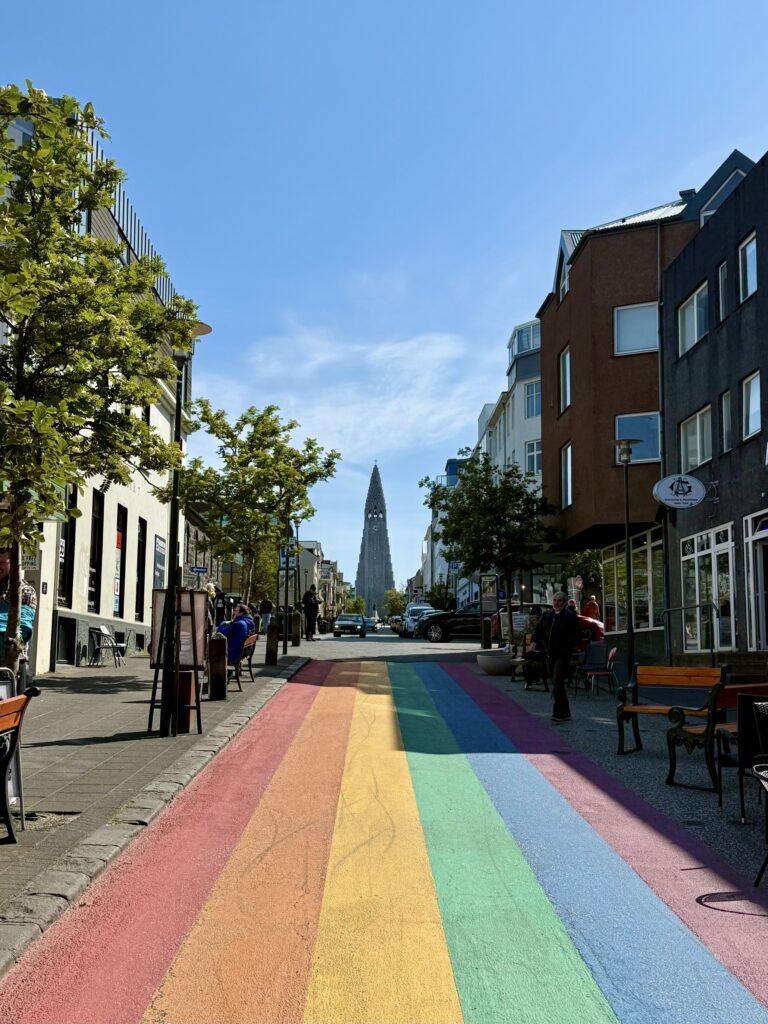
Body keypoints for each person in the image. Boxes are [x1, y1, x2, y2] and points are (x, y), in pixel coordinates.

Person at [533, 591, 581, 723]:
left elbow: (577, 635)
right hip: (551, 653)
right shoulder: (547, 615)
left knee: (558, 679)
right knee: (556, 681)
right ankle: (566, 712)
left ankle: (558, 712)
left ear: (565, 602)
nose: (557, 603)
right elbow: (538, 631)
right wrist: (535, 642)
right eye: (555, 600)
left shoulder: (570, 616)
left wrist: (567, 645)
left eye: (560, 601)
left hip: (563, 653)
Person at [0, 549, 38, 669]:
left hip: (12, 663)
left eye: (1, 563)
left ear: (12, 564)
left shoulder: (25, 591)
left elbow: (22, 629)